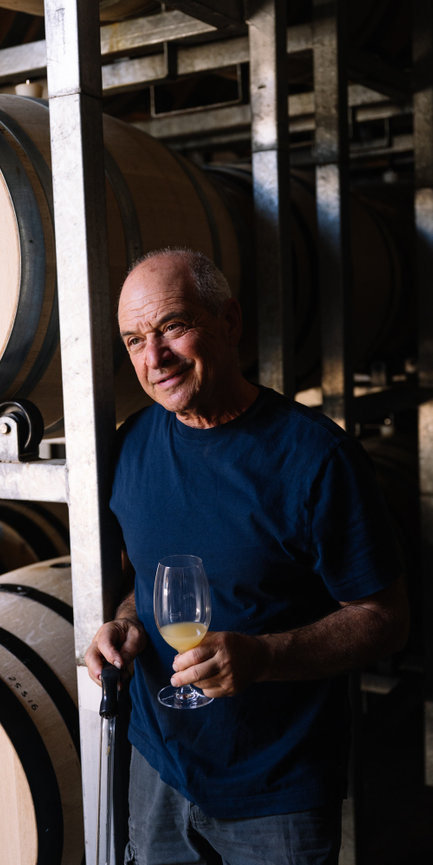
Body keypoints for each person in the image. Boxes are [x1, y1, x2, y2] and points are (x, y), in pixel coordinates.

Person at [85, 248, 409, 865]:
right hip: (159, 767)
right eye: (134, 340)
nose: (154, 359)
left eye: (173, 327)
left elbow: (385, 617)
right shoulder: (132, 446)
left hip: (275, 789)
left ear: (230, 321)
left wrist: (264, 657)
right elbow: (143, 576)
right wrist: (125, 624)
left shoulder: (316, 457)